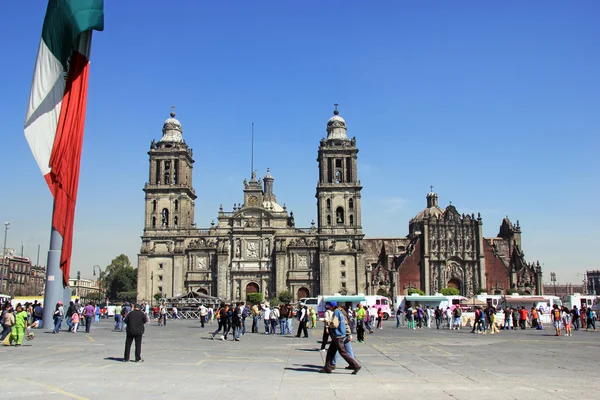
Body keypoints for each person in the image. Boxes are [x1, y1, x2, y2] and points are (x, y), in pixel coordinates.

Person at [319, 301, 361, 375]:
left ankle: (355, 365)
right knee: (330, 352)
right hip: (340, 335)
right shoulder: (340, 312)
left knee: (342, 352)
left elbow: (335, 324)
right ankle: (327, 367)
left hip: (337, 335)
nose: (329, 308)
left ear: (332, 306)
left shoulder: (336, 312)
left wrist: (327, 321)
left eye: (330, 306)